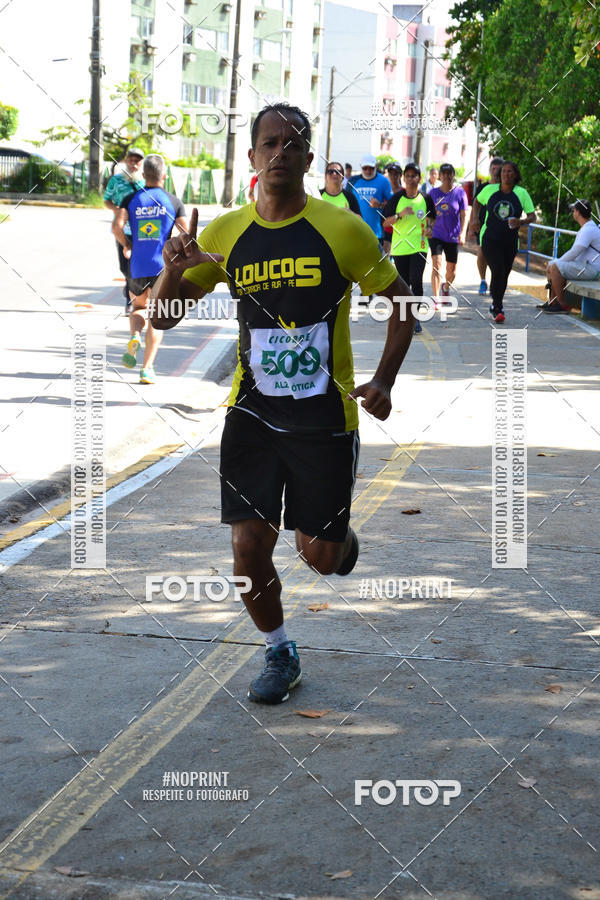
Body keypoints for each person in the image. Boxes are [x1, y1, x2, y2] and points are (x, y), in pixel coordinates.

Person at [149, 102, 416, 705]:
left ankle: (339, 543)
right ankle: (279, 650)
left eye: (291, 145)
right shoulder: (223, 232)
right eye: (268, 143)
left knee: (318, 556)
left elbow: (402, 305)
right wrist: (172, 270)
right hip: (252, 415)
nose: (279, 153)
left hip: (324, 417)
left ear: (308, 159)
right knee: (247, 545)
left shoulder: (342, 229)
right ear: (251, 156)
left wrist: (384, 382)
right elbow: (163, 319)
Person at [113, 154, 187, 383]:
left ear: (143, 175)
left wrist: (127, 245)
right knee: (157, 316)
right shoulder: (173, 201)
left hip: (136, 265)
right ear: (164, 176)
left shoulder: (131, 199)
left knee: (138, 308)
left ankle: (135, 335)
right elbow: (187, 234)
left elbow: (117, 226)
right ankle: (146, 369)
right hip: (162, 267)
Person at [477, 160, 535, 323]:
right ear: (499, 174)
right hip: (490, 239)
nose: (506, 174)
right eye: (503, 171)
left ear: (515, 175)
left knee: (504, 274)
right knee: (498, 271)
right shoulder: (489, 190)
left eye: (510, 171)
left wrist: (520, 221)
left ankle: (495, 303)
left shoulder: (521, 193)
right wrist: (474, 219)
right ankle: (498, 307)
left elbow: (532, 216)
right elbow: (476, 202)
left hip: (510, 241)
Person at [382, 162, 436, 334]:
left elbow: (432, 220)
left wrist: (430, 229)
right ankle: (405, 317)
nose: (411, 179)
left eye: (414, 176)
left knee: (416, 279)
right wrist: (399, 215)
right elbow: (385, 223)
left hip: (419, 247)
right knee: (404, 284)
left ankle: (415, 317)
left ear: (419, 179)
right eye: (408, 176)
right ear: (404, 179)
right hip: (400, 248)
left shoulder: (426, 199)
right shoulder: (397, 199)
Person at [103, 148, 145, 308]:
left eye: (137, 161)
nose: (134, 164)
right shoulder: (116, 180)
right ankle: (129, 286)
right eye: (131, 160)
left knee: (137, 263)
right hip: (123, 229)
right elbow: (107, 200)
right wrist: (118, 211)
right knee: (124, 264)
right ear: (126, 161)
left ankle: (131, 297)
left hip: (143, 230)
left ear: (141, 163)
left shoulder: (145, 181)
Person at [542, 199, 600, 313]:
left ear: (577, 212)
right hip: (587, 266)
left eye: (574, 211)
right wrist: (556, 262)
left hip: (593, 269)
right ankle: (553, 302)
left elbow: (575, 252)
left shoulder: (588, 230)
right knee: (552, 264)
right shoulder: (587, 228)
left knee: (554, 267)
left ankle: (562, 305)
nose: (573, 213)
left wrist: (556, 263)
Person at [429, 163, 469, 299]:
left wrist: (463, 233)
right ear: (440, 176)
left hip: (452, 235)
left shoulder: (460, 192)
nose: (446, 176)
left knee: (452, 271)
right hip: (436, 234)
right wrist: (427, 229)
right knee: (436, 265)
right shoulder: (433, 193)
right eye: (444, 173)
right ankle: (436, 299)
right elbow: (427, 214)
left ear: (453, 175)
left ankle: (446, 287)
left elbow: (464, 215)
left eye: (449, 173)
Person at [469, 157, 504, 294]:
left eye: (498, 169)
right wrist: (473, 222)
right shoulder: (483, 188)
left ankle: (496, 281)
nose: (496, 172)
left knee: (498, 256)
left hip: (501, 227)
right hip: (483, 225)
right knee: (482, 252)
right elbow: (475, 204)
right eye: (493, 169)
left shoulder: (506, 188)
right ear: (490, 170)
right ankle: (483, 280)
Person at [350, 153, 392, 248]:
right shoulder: (353, 181)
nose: (368, 171)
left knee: (377, 262)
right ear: (361, 167)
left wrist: (380, 205)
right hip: (358, 232)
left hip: (377, 233)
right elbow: (346, 203)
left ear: (376, 166)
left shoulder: (384, 181)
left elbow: (393, 205)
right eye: (365, 168)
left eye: (371, 168)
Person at [381, 162, 403, 254]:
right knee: (386, 260)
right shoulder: (385, 191)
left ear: (400, 175)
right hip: (387, 230)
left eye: (396, 174)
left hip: (401, 229)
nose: (393, 176)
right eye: (391, 174)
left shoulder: (404, 192)